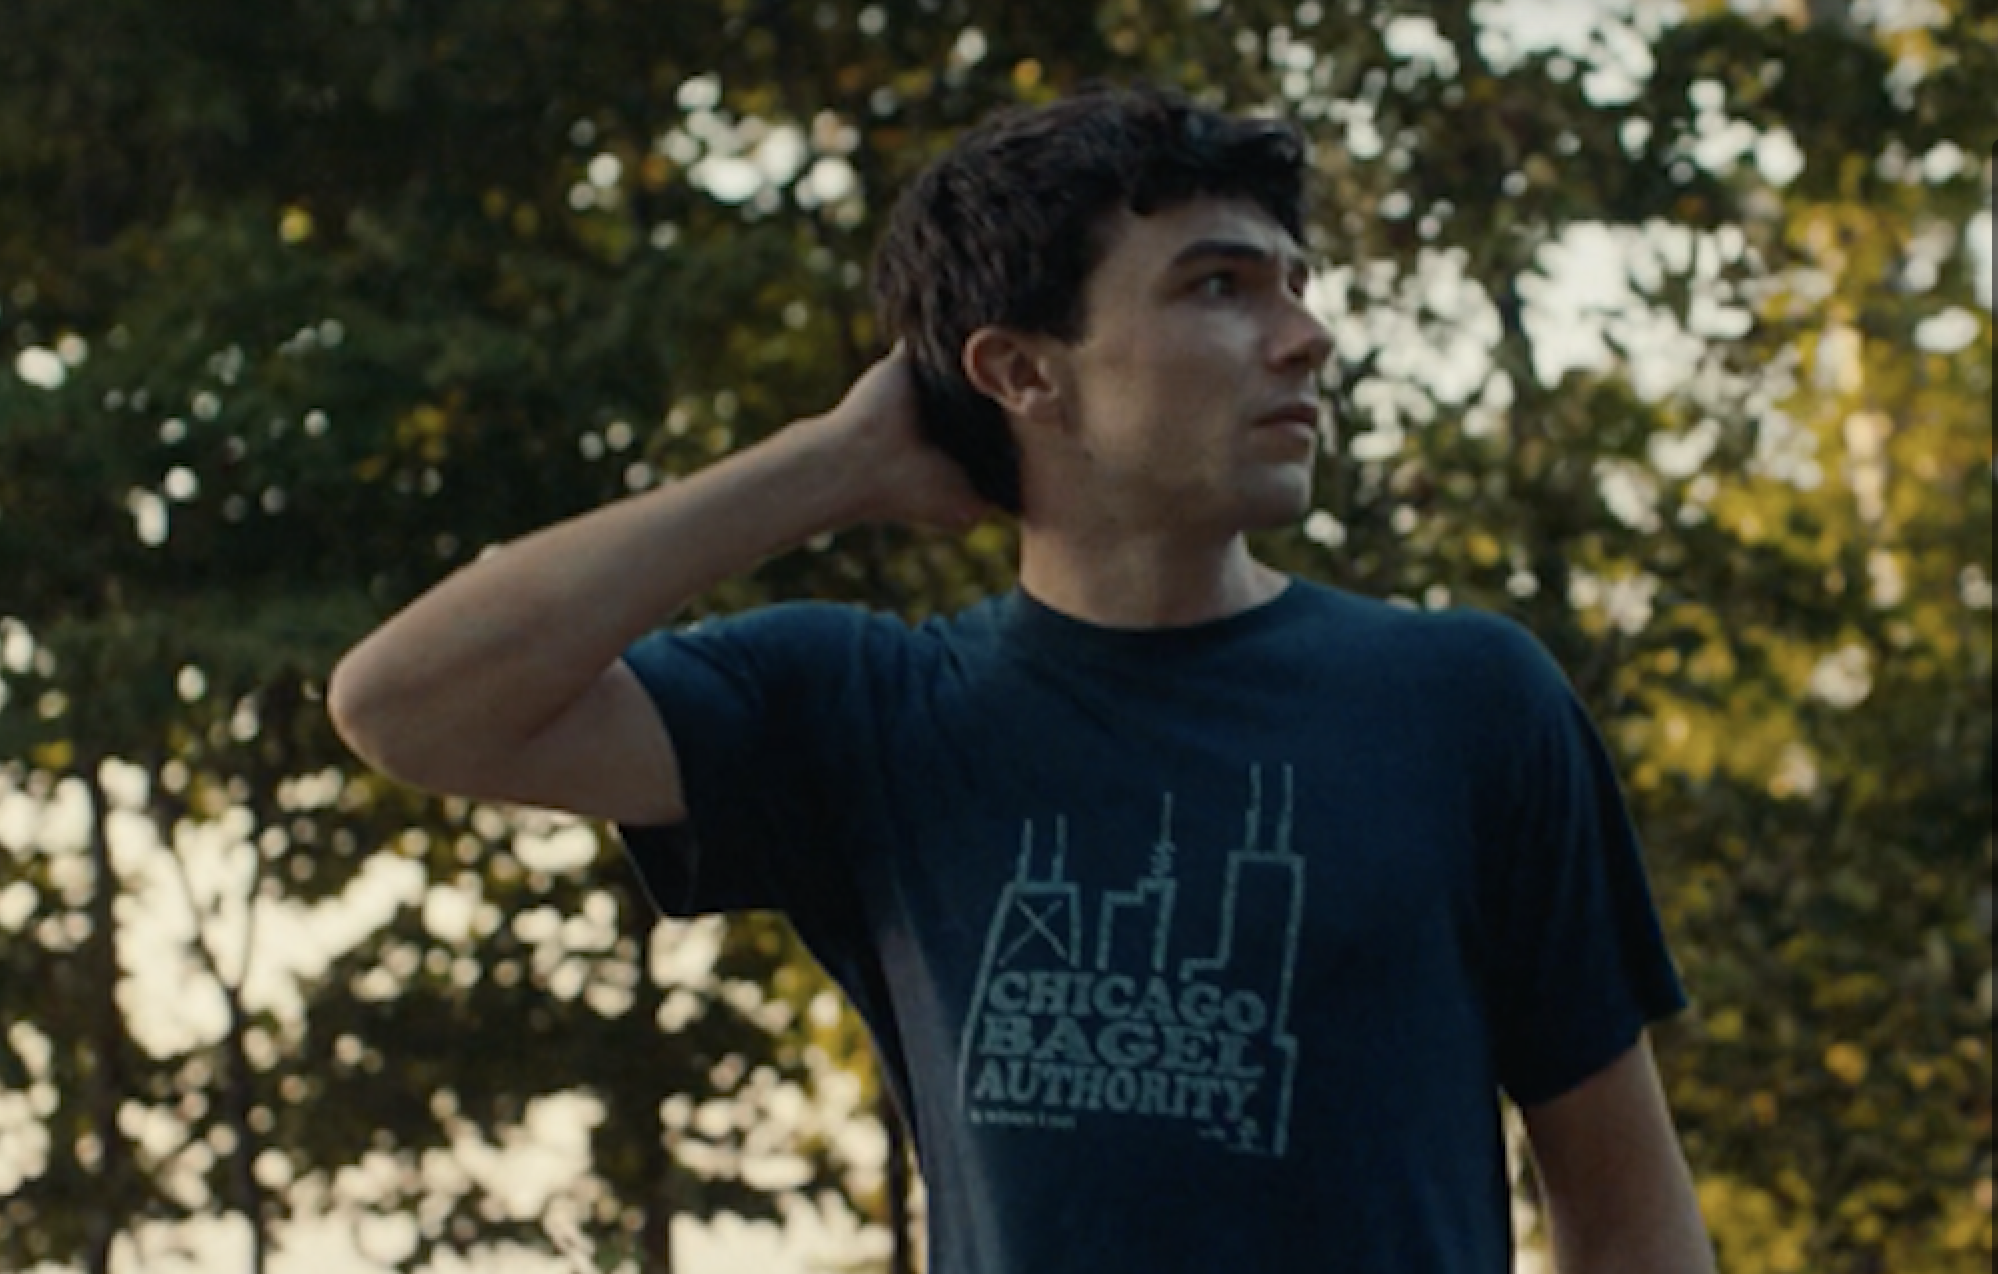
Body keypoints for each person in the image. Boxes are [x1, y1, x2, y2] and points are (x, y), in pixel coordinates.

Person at [329, 82, 1717, 1273]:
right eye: (1219, 286)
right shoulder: (866, 711)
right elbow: (409, 704)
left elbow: (1627, 1214)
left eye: (1296, 286)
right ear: (1020, 373)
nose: (1305, 337)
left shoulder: (1466, 700)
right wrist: (831, 462)